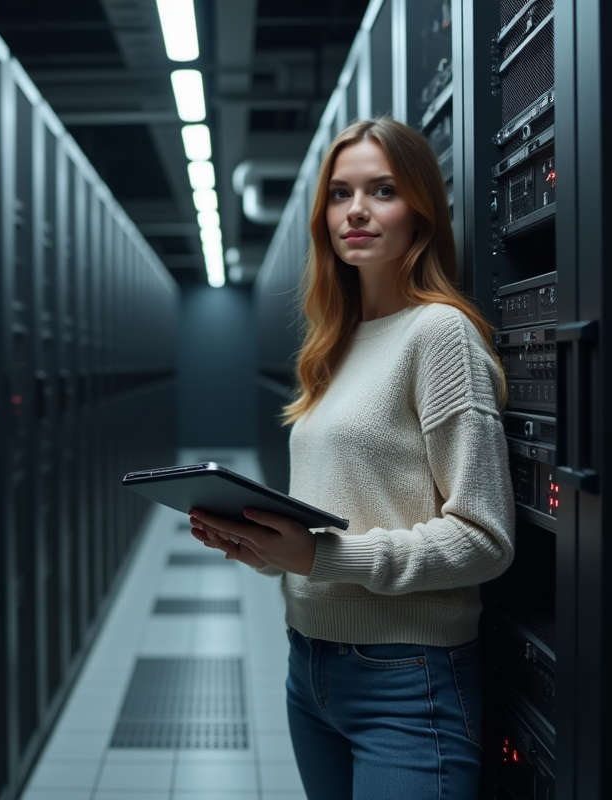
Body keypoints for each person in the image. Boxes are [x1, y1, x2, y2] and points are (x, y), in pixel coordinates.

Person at [188, 117, 515, 800]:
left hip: (407, 678)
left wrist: (320, 558)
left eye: (382, 190)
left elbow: (485, 538)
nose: (356, 211)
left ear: (421, 210)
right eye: (340, 194)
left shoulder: (440, 334)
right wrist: (266, 548)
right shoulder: (334, 345)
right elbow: (343, 511)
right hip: (309, 669)